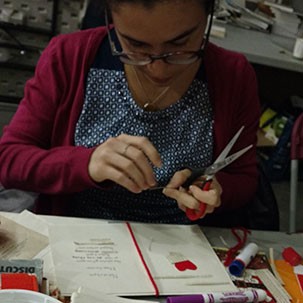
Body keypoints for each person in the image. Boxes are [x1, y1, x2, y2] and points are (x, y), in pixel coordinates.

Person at [0, 0, 260, 226]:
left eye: (180, 44)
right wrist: (87, 164)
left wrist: (212, 187)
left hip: (184, 246)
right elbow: (9, 160)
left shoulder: (233, 75)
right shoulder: (69, 57)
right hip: (79, 239)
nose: (158, 70)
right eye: (135, 46)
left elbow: (244, 178)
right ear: (110, 17)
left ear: (209, 16)